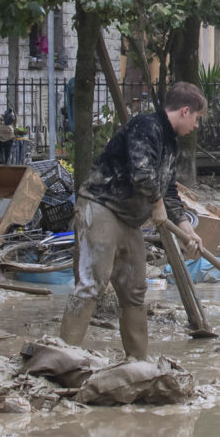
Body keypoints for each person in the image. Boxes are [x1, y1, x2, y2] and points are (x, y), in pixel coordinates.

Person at [62, 85, 207, 360]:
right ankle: (62, 357)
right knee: (92, 283)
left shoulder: (170, 142)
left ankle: (138, 362)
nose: (196, 125)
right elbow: (142, 172)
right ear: (185, 111)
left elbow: (169, 189)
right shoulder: (147, 126)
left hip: (129, 219)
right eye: (197, 118)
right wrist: (156, 204)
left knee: (135, 291)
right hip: (101, 206)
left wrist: (185, 228)